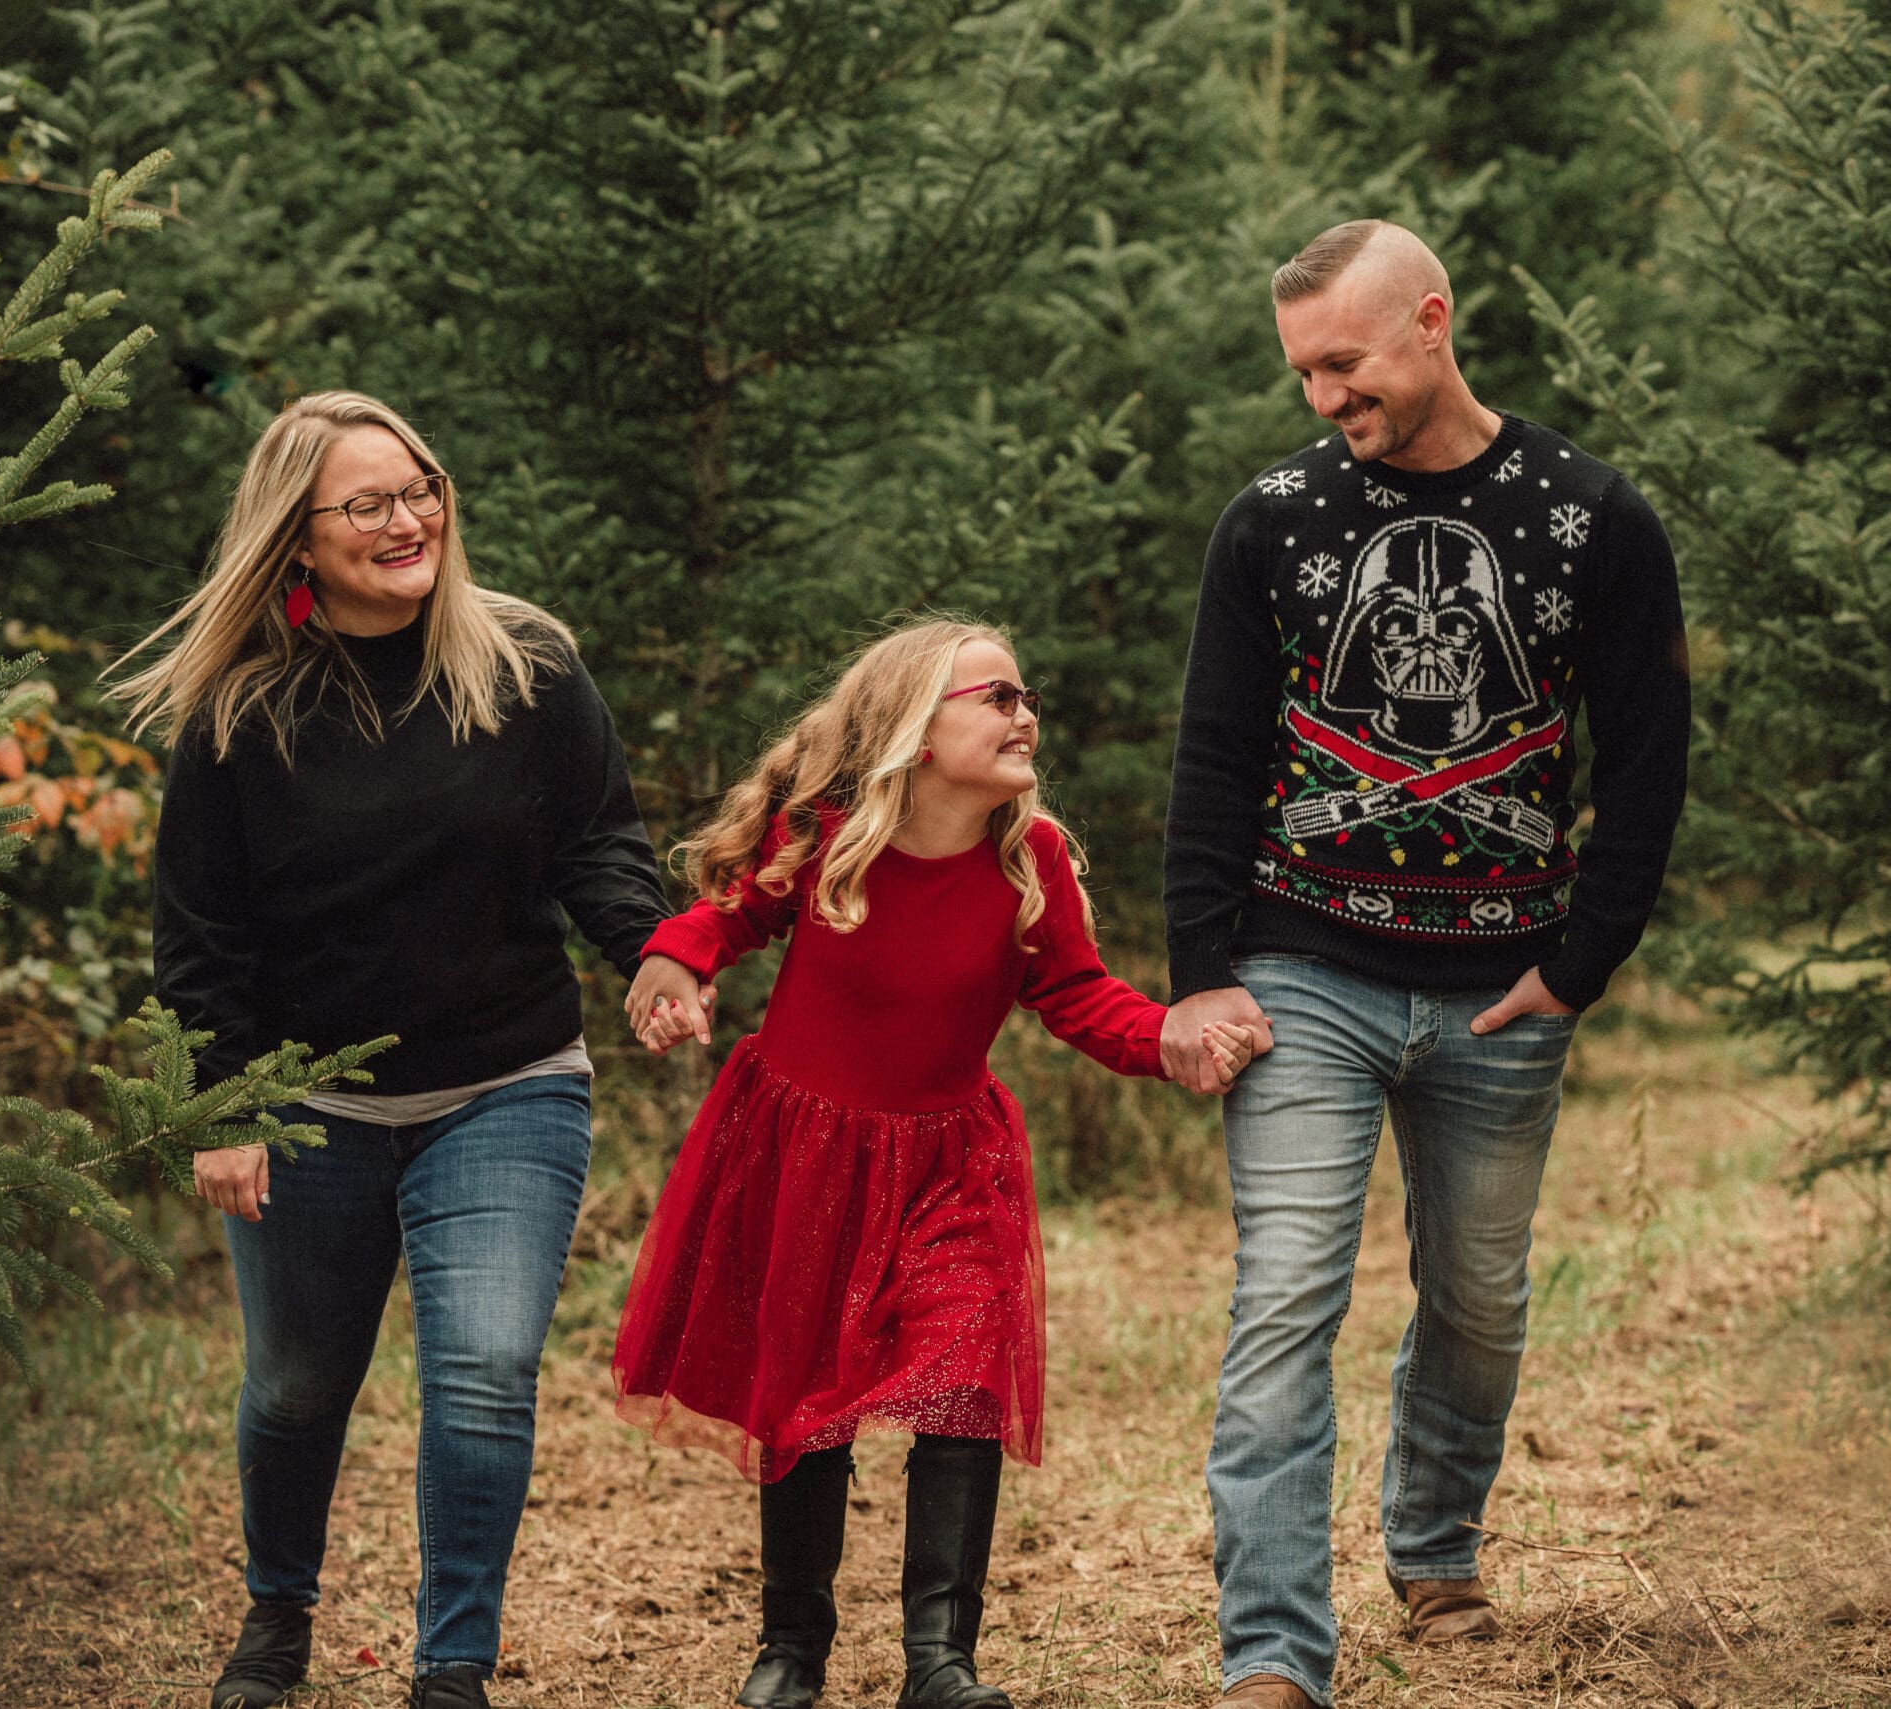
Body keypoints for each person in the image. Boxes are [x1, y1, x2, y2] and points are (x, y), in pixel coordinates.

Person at [1160, 220, 1691, 1708]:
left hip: (1501, 988)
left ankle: (1436, 1541)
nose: (1324, 396)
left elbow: (1648, 760)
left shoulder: (1592, 518)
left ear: (1432, 323)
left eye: (1344, 362)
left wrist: (1582, 964)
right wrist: (1203, 968)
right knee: (1286, 1299)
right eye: (1303, 373)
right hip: (1299, 973)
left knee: (1478, 1294)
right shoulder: (1271, 519)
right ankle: (1272, 1651)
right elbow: (1212, 757)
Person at [111, 391, 671, 1709]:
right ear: (297, 539)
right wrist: (222, 1103)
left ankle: (453, 1665)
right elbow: (199, 929)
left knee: (481, 1369)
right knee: (300, 1384)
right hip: (308, 1110)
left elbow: (600, 843)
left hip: (507, 1084)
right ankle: (278, 1609)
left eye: (420, 486)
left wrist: (651, 953)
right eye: (368, 503)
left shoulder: (526, 663)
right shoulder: (240, 709)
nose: (410, 517)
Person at [613, 618, 1257, 1709]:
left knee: (964, 1382)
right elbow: (728, 910)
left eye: (1025, 694)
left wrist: (1165, 1037)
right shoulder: (826, 831)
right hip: (806, 1148)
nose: (1024, 712)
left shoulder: (1028, 854)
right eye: (994, 696)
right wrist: (675, 962)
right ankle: (792, 1646)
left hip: (953, 1161)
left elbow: (1075, 991)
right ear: (914, 728)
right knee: (807, 1399)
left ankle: (938, 1659)